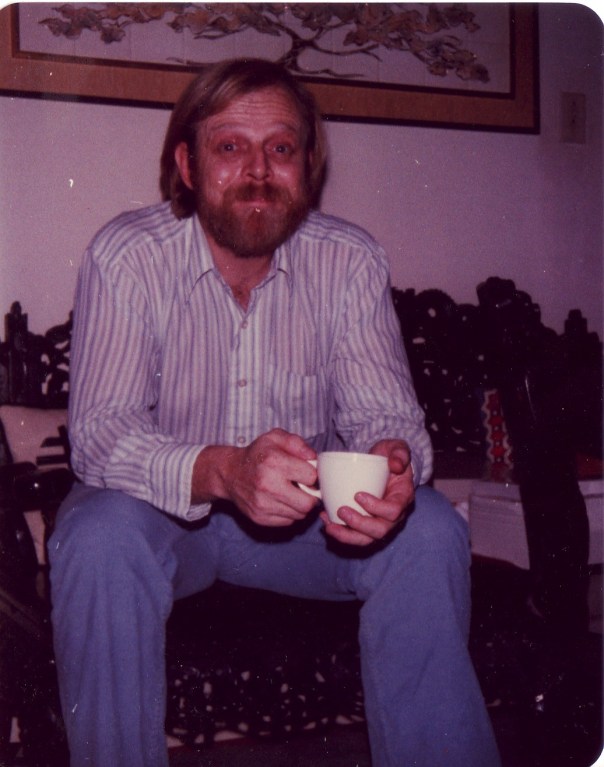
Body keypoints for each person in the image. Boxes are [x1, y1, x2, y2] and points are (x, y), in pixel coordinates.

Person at [49, 58, 501, 767]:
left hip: (306, 527)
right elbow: (101, 434)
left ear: (307, 168)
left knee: (430, 529)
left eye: (281, 148)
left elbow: (386, 415)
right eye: (230, 146)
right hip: (162, 519)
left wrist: (393, 461)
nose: (258, 171)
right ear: (187, 165)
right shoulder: (127, 256)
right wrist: (223, 470)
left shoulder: (349, 261)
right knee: (97, 536)